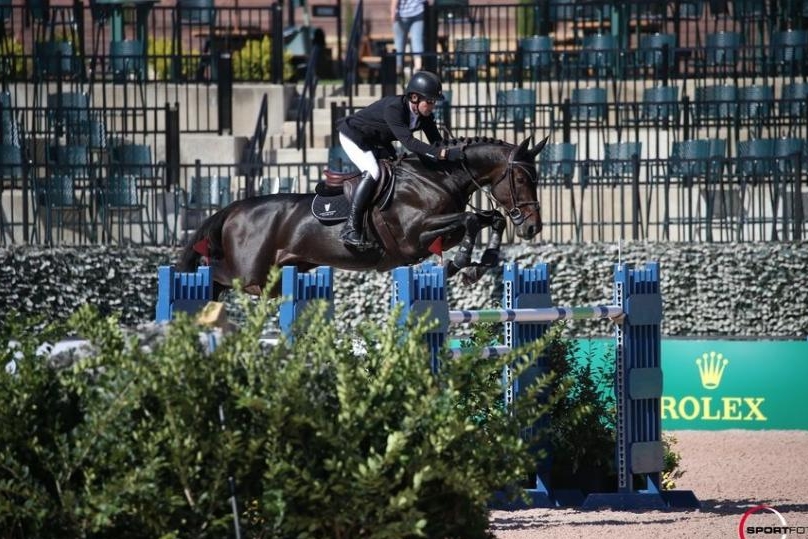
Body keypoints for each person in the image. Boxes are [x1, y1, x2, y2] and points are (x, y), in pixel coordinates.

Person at [336, 70, 464, 250]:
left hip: (377, 140)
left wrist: (454, 153)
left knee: (398, 169)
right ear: (414, 98)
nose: (432, 106)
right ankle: (350, 228)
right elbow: (410, 143)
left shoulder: (424, 116)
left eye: (434, 102)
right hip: (354, 136)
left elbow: (437, 142)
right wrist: (442, 154)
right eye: (430, 101)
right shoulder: (394, 109)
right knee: (373, 171)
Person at [392, 0, 425, 75]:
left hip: (402, 14)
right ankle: (418, 68)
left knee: (399, 43)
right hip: (417, 12)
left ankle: (398, 69)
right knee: (417, 41)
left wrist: (393, 14)